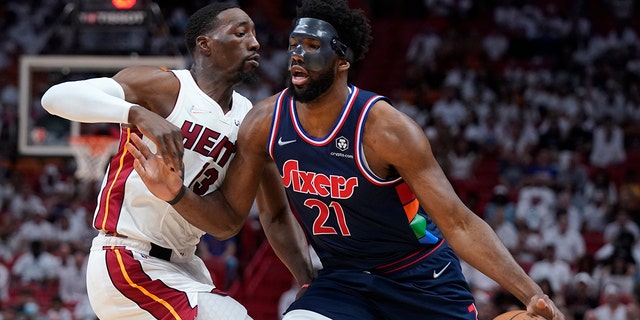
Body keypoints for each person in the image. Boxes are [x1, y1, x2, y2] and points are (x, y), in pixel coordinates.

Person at [127, 0, 565, 319]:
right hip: (343, 280)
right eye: (294, 43)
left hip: (417, 276)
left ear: (342, 60)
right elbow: (234, 220)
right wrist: (178, 194)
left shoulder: (387, 129)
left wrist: (530, 292)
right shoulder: (264, 122)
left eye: (311, 45)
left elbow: (460, 223)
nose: (296, 54)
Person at [39, 3, 312, 319]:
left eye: (253, 34)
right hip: (128, 259)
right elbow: (54, 98)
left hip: (186, 265)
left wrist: (308, 281)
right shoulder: (164, 87)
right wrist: (137, 114)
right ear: (205, 44)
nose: (254, 42)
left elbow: (253, 218)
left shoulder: (249, 121)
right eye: (240, 33)